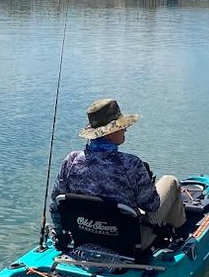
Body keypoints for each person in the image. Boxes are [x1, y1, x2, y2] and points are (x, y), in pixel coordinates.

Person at [49, 98, 186, 246]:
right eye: (121, 126)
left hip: (82, 237)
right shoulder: (131, 164)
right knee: (170, 181)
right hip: (129, 242)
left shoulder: (71, 160)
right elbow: (152, 205)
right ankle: (182, 235)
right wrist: (147, 187)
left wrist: (60, 232)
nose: (125, 129)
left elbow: (55, 203)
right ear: (109, 133)